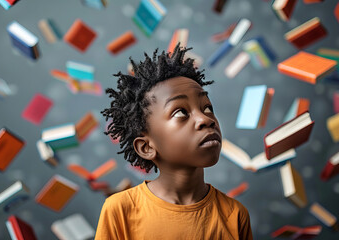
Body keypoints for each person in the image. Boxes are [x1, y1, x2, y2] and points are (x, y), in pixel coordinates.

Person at [95, 44, 253, 240]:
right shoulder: (120, 210)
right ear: (146, 147)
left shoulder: (235, 215)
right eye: (181, 112)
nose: (206, 119)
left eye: (207, 107)